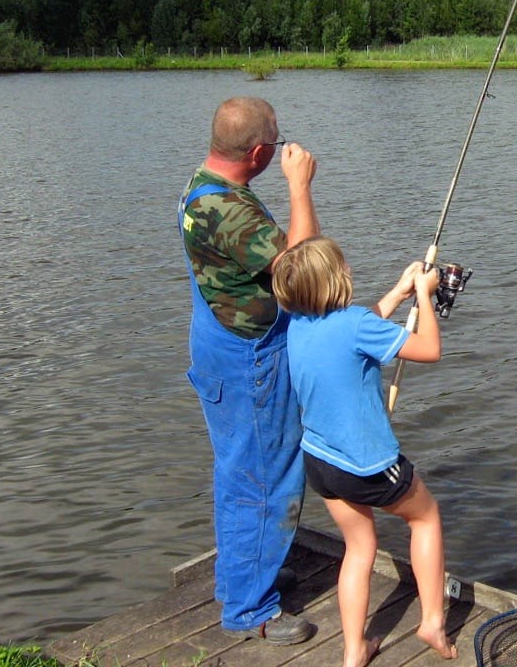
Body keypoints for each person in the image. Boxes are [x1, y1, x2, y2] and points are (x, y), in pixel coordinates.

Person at [273, 236, 459, 667]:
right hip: (368, 466)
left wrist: (399, 291)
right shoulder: (355, 325)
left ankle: (354, 650)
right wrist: (426, 299)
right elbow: (429, 350)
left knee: (360, 547)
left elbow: (359, 330)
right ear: (335, 280)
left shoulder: (298, 326)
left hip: (320, 462)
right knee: (425, 517)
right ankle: (432, 622)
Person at [177, 96, 319, 644]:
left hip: (219, 347)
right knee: (265, 477)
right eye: (278, 143)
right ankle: (250, 608)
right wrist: (300, 187)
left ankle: (243, 572)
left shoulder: (202, 184)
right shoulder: (229, 210)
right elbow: (301, 270)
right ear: (259, 152)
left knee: (239, 470)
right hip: (249, 357)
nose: (283, 151)